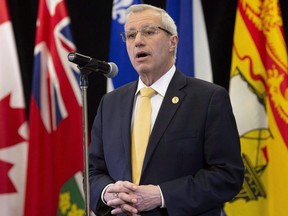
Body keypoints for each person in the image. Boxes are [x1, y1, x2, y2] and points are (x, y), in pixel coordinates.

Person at [89, 4, 244, 216]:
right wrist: (108, 192)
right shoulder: (110, 103)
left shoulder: (208, 99)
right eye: (131, 35)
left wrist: (162, 195)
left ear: (173, 42)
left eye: (149, 32)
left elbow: (228, 175)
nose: (138, 41)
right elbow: (93, 172)